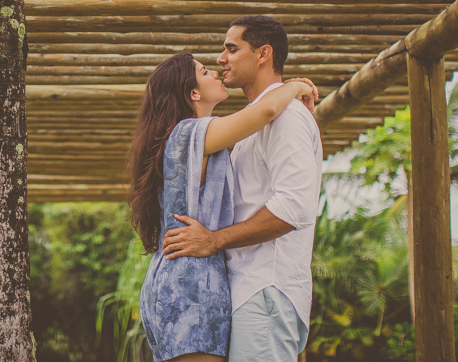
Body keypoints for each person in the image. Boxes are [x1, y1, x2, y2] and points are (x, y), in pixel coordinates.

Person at [128, 51, 317, 362]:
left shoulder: (197, 141)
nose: (215, 71)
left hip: (192, 281)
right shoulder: (188, 133)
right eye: (205, 72)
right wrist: (295, 87)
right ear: (193, 93)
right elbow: (267, 109)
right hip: (189, 286)